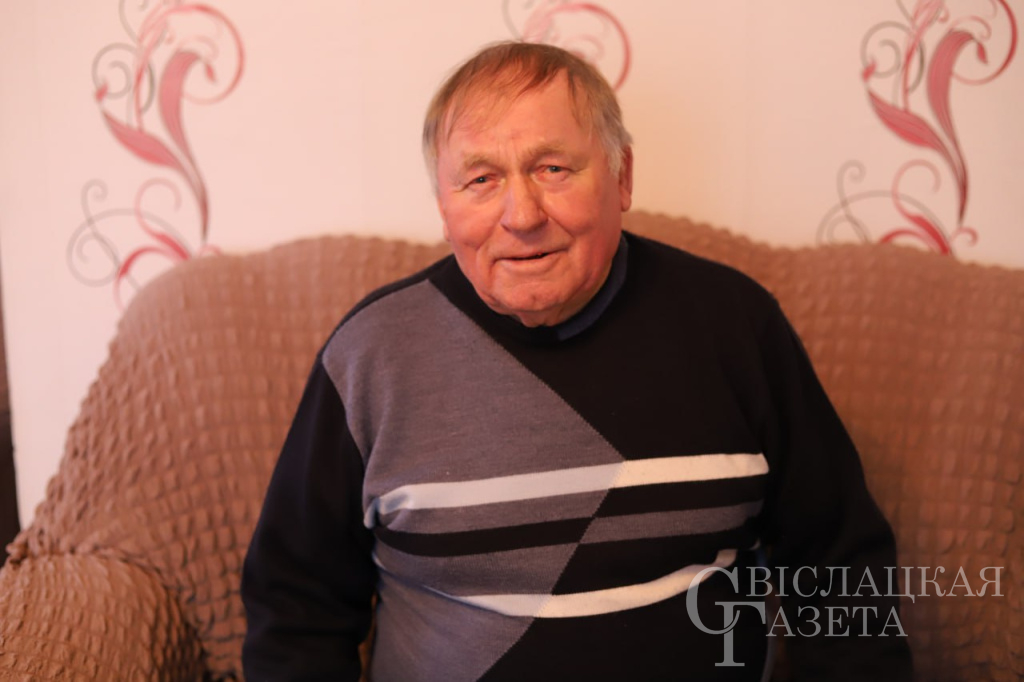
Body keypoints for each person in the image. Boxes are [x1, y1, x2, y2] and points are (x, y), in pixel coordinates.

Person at [241, 41, 912, 681]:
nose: (521, 215)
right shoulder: (369, 356)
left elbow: (838, 565)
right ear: (444, 208)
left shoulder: (738, 326)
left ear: (622, 177)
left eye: (553, 170)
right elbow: (296, 608)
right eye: (481, 179)